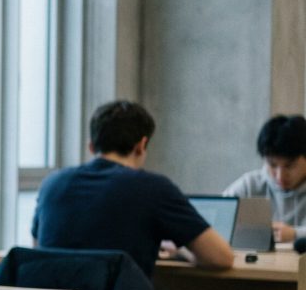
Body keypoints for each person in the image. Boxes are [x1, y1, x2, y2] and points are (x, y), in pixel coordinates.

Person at [31, 99, 234, 279]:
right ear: (141, 145)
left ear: (91, 146)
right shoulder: (153, 188)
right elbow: (220, 257)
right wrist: (182, 251)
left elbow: (37, 248)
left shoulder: (52, 184)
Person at [224, 114, 306, 243]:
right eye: (272, 165)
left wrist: (296, 234)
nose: (280, 176)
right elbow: (217, 215)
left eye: (289, 166)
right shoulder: (250, 185)